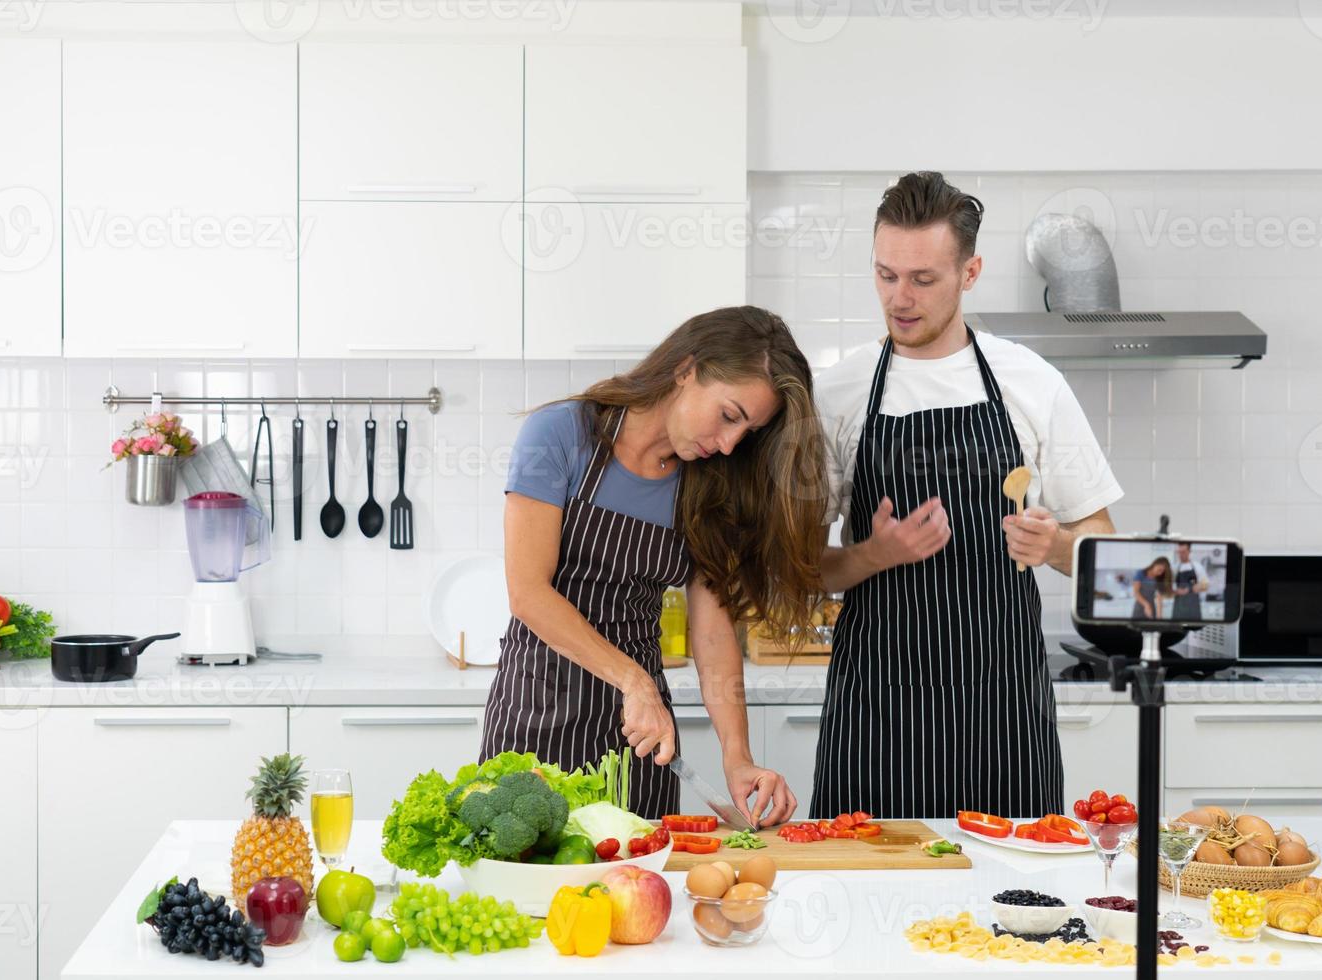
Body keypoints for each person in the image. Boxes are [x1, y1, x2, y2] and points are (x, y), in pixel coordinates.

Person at [812, 172, 1124, 819]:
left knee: (1015, 909)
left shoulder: (1031, 382)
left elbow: (1106, 552)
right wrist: (872, 556)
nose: (900, 297)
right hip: (878, 715)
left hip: (1003, 713)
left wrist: (1057, 544)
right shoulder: (837, 394)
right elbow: (796, 566)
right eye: (886, 274)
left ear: (970, 272)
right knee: (869, 901)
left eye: (923, 279)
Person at [480, 306, 827, 825]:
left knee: (637, 891)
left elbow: (712, 632)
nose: (730, 444)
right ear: (687, 370)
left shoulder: (712, 479)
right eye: (729, 415)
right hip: (537, 711)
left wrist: (738, 758)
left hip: (641, 739)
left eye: (747, 432)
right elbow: (528, 592)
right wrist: (633, 682)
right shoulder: (561, 434)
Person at [1170, 543, 1207, 621]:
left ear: (1189, 551)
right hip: (1178, 606)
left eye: (1183, 552)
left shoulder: (1198, 567)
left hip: (1193, 605)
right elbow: (1168, 587)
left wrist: (1189, 589)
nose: (1180, 555)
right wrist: (1175, 591)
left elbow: (1205, 585)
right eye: (1179, 552)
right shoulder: (1174, 568)